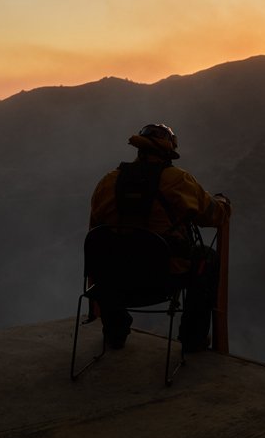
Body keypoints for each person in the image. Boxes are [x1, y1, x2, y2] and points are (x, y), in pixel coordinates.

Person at [87, 123, 230, 352]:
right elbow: (214, 216)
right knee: (207, 259)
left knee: (106, 255)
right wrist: (222, 203)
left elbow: (94, 233)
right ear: (168, 153)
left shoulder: (107, 182)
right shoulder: (178, 181)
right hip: (162, 279)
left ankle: (115, 331)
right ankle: (193, 339)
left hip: (114, 280)